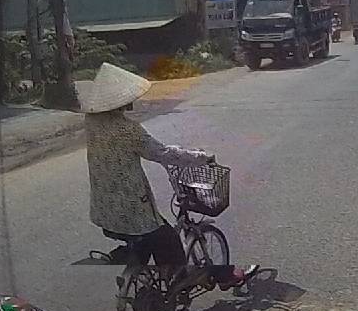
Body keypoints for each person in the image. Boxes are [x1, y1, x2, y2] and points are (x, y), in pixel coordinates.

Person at [76, 63, 243, 289]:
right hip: (132, 209)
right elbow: (161, 153)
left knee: (145, 241)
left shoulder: (91, 121)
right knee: (169, 240)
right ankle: (179, 282)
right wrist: (201, 158)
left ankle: (137, 276)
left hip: (105, 208)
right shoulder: (128, 130)